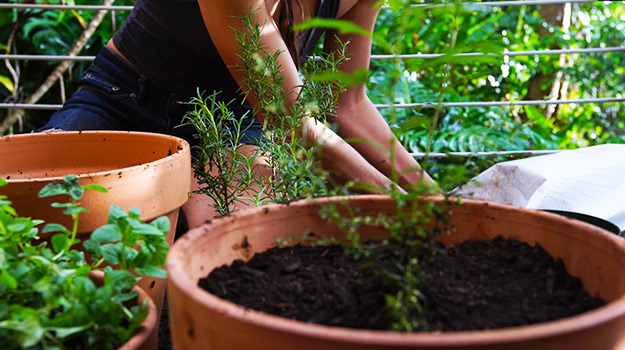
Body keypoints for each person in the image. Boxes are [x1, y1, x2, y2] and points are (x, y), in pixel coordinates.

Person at [40, 0, 436, 229]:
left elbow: (348, 103)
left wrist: (433, 200)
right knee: (40, 211)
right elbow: (293, 124)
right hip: (125, 99)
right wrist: (407, 209)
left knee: (239, 246)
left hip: (238, 120)